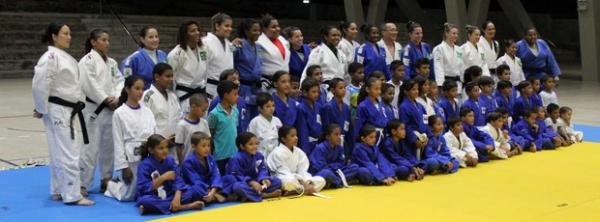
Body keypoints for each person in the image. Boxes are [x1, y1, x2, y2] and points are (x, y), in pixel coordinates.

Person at [32, 22, 94, 205]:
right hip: (59, 109)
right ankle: (73, 194)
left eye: (70, 33)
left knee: (58, 151)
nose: (69, 37)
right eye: (65, 33)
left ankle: (59, 189)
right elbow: (41, 84)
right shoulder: (51, 57)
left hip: (66, 109)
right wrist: (40, 107)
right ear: (54, 36)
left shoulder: (62, 56)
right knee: (69, 152)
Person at [78, 29, 124, 194]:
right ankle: (83, 184)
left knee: (108, 147)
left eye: (108, 40)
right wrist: (105, 99)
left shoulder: (111, 62)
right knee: (90, 148)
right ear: (93, 42)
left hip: (111, 109)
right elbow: (88, 83)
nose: (107, 43)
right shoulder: (87, 61)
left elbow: (120, 81)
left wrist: (117, 97)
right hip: (93, 109)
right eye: (103, 40)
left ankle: (106, 178)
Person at [105, 75, 156, 202]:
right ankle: (110, 184)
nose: (140, 92)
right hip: (130, 157)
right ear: (127, 89)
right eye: (137, 88)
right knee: (128, 196)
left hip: (148, 156)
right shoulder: (119, 113)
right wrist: (123, 166)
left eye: (142, 89)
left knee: (154, 191)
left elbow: (154, 135)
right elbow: (117, 141)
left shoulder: (147, 111)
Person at [136, 134, 204, 215]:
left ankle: (157, 208)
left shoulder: (170, 160)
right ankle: (185, 207)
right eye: (161, 148)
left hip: (170, 193)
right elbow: (142, 188)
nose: (165, 151)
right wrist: (163, 178)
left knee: (192, 191)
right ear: (151, 150)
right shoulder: (144, 165)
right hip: (154, 196)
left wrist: (177, 197)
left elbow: (178, 180)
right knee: (145, 201)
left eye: (166, 147)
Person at [266, 125, 326, 195]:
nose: (296, 138)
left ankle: (296, 191)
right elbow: (283, 172)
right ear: (283, 139)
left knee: (321, 180)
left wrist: (307, 182)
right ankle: (304, 190)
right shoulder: (277, 153)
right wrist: (302, 182)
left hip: (299, 181)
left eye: (296, 135)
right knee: (288, 181)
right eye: (292, 136)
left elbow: (303, 170)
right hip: (284, 178)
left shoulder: (299, 152)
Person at [226, 132, 283, 202]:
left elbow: (262, 169)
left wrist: (264, 179)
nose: (255, 146)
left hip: (257, 182)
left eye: (256, 144)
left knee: (277, 181)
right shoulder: (235, 158)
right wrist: (250, 182)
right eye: (251, 144)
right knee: (237, 187)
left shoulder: (259, 155)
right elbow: (235, 175)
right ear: (242, 146)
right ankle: (265, 195)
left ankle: (251, 195)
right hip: (244, 183)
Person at [181, 132, 233, 205]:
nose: (207, 149)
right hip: (199, 186)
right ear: (194, 146)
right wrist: (210, 190)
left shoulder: (210, 157)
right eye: (203, 146)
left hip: (211, 186)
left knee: (230, 178)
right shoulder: (188, 162)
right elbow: (195, 180)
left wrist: (213, 190)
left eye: (208, 146)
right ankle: (218, 196)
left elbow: (216, 174)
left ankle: (213, 197)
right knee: (195, 190)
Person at [168, 21, 209, 113]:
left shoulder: (203, 49)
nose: (197, 32)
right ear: (185, 34)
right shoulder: (176, 54)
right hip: (185, 94)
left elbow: (205, 71)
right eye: (193, 31)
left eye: (198, 30)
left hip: (200, 92)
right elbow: (170, 76)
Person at [142, 63, 181, 158]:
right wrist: (158, 141)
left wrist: (177, 135)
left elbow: (179, 117)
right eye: (167, 76)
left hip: (173, 144)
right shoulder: (147, 96)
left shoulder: (173, 96)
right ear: (157, 77)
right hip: (156, 145)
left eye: (172, 76)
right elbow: (144, 123)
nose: (171, 79)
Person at [208, 80, 239, 173]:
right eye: (235, 94)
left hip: (233, 153)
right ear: (226, 95)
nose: (237, 97)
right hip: (219, 156)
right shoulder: (214, 114)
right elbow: (210, 136)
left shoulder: (235, 111)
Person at [234, 18, 263, 120]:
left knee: (255, 119)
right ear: (246, 31)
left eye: (259, 30)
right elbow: (231, 64)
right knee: (243, 117)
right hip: (244, 87)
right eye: (254, 30)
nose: (258, 33)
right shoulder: (239, 45)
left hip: (257, 89)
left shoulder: (259, 47)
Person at [320, 78, 353, 158]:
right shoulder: (327, 107)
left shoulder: (347, 108)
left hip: (344, 142)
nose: (343, 90)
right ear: (332, 90)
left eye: (344, 87)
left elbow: (350, 130)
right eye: (340, 88)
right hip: (331, 143)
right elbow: (326, 129)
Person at [203, 13, 234, 98]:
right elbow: (201, 69)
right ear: (217, 26)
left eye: (231, 26)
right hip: (210, 89)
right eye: (226, 26)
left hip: (227, 89)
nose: (230, 29)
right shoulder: (205, 43)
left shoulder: (229, 44)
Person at [174, 93, 211, 163]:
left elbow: (208, 142)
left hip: (202, 162)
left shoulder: (204, 122)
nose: (204, 113)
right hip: (188, 163)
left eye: (206, 110)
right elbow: (179, 147)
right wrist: (182, 164)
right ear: (193, 107)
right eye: (203, 110)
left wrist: (209, 160)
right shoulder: (182, 125)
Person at [247, 92, 283, 158]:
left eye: (273, 105)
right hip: (260, 155)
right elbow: (249, 141)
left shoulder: (277, 121)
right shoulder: (255, 122)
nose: (271, 109)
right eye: (268, 106)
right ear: (260, 108)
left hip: (276, 156)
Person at [355, 77, 388, 145]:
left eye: (380, 89)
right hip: (370, 139)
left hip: (382, 137)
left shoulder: (381, 104)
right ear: (367, 89)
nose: (379, 91)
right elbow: (359, 126)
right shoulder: (363, 106)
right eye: (376, 89)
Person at [295, 78, 323, 156]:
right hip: (308, 144)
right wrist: (305, 152)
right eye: (313, 92)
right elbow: (302, 132)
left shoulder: (319, 106)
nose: (316, 94)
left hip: (319, 144)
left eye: (318, 92)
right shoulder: (301, 109)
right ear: (305, 93)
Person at [433, 23, 465, 88]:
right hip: (446, 83)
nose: (456, 36)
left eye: (457, 34)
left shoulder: (459, 49)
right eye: (453, 33)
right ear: (446, 33)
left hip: (458, 83)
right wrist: (440, 85)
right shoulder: (439, 49)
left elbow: (461, 66)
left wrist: (463, 80)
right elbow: (438, 68)